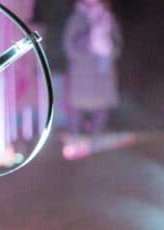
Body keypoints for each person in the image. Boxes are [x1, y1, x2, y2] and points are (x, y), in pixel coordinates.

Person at [63, 0, 122, 135]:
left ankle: (97, 136)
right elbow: (69, 47)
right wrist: (88, 39)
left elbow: (117, 45)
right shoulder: (77, 18)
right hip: (82, 73)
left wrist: (109, 46)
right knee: (77, 105)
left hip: (103, 71)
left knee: (102, 105)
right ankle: (75, 134)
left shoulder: (109, 18)